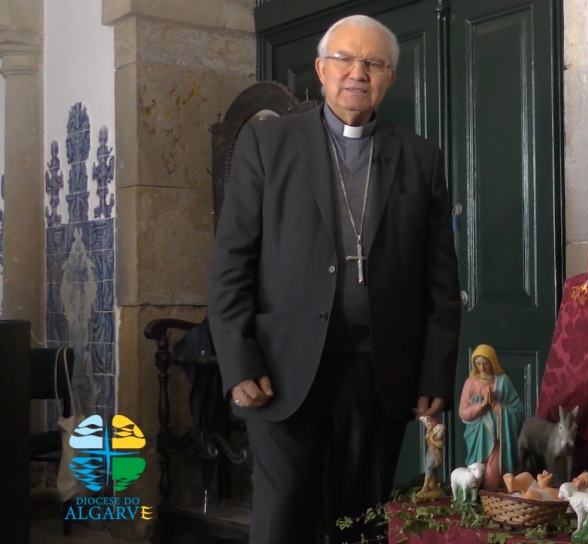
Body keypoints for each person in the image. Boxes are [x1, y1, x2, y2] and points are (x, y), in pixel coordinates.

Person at [207, 14, 461, 544]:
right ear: (321, 70)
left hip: (378, 372)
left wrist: (434, 374)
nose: (357, 73)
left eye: (373, 62)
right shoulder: (267, 144)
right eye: (344, 59)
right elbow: (232, 261)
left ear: (390, 77)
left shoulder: (419, 157)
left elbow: (440, 280)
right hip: (280, 366)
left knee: (360, 521)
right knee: (283, 520)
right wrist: (237, 361)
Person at [458, 344, 525, 491]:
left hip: (497, 440)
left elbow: (519, 410)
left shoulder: (503, 381)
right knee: (473, 476)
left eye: (486, 363)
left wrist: (495, 405)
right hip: (476, 437)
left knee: (491, 479)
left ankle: (492, 500)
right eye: (478, 363)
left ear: (493, 362)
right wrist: (481, 405)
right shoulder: (470, 383)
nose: (482, 367)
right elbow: (463, 412)